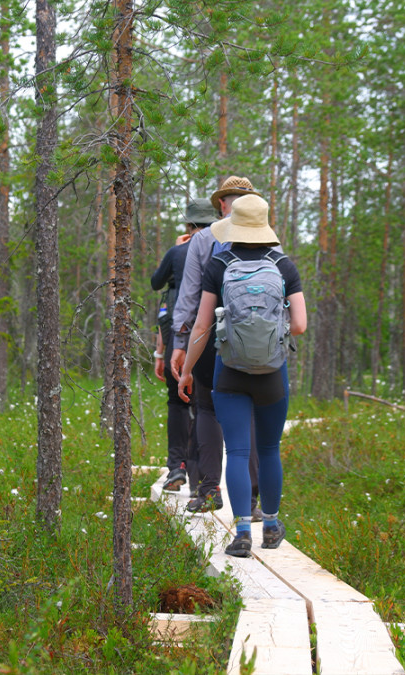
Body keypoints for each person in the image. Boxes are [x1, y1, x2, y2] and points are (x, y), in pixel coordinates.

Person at [177, 193, 307, 557]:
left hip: (228, 372)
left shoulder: (219, 264)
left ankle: (241, 534)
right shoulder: (284, 266)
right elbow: (299, 325)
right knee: (268, 449)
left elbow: (202, 326)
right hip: (271, 374)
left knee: (235, 451)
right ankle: (271, 524)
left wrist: (187, 370)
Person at [169, 176, 263, 515]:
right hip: (255, 339)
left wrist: (180, 343)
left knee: (207, 408)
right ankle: (251, 501)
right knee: (249, 412)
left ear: (221, 204)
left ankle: (209, 490)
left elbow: (189, 297)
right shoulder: (270, 241)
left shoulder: (204, 239)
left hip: (210, 338)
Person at [150, 200, 216, 492]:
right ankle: (202, 476)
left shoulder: (179, 251)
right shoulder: (220, 248)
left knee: (177, 400)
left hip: (176, 324)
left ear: (189, 225)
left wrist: (160, 352)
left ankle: (177, 468)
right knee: (205, 403)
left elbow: (155, 282)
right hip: (209, 325)